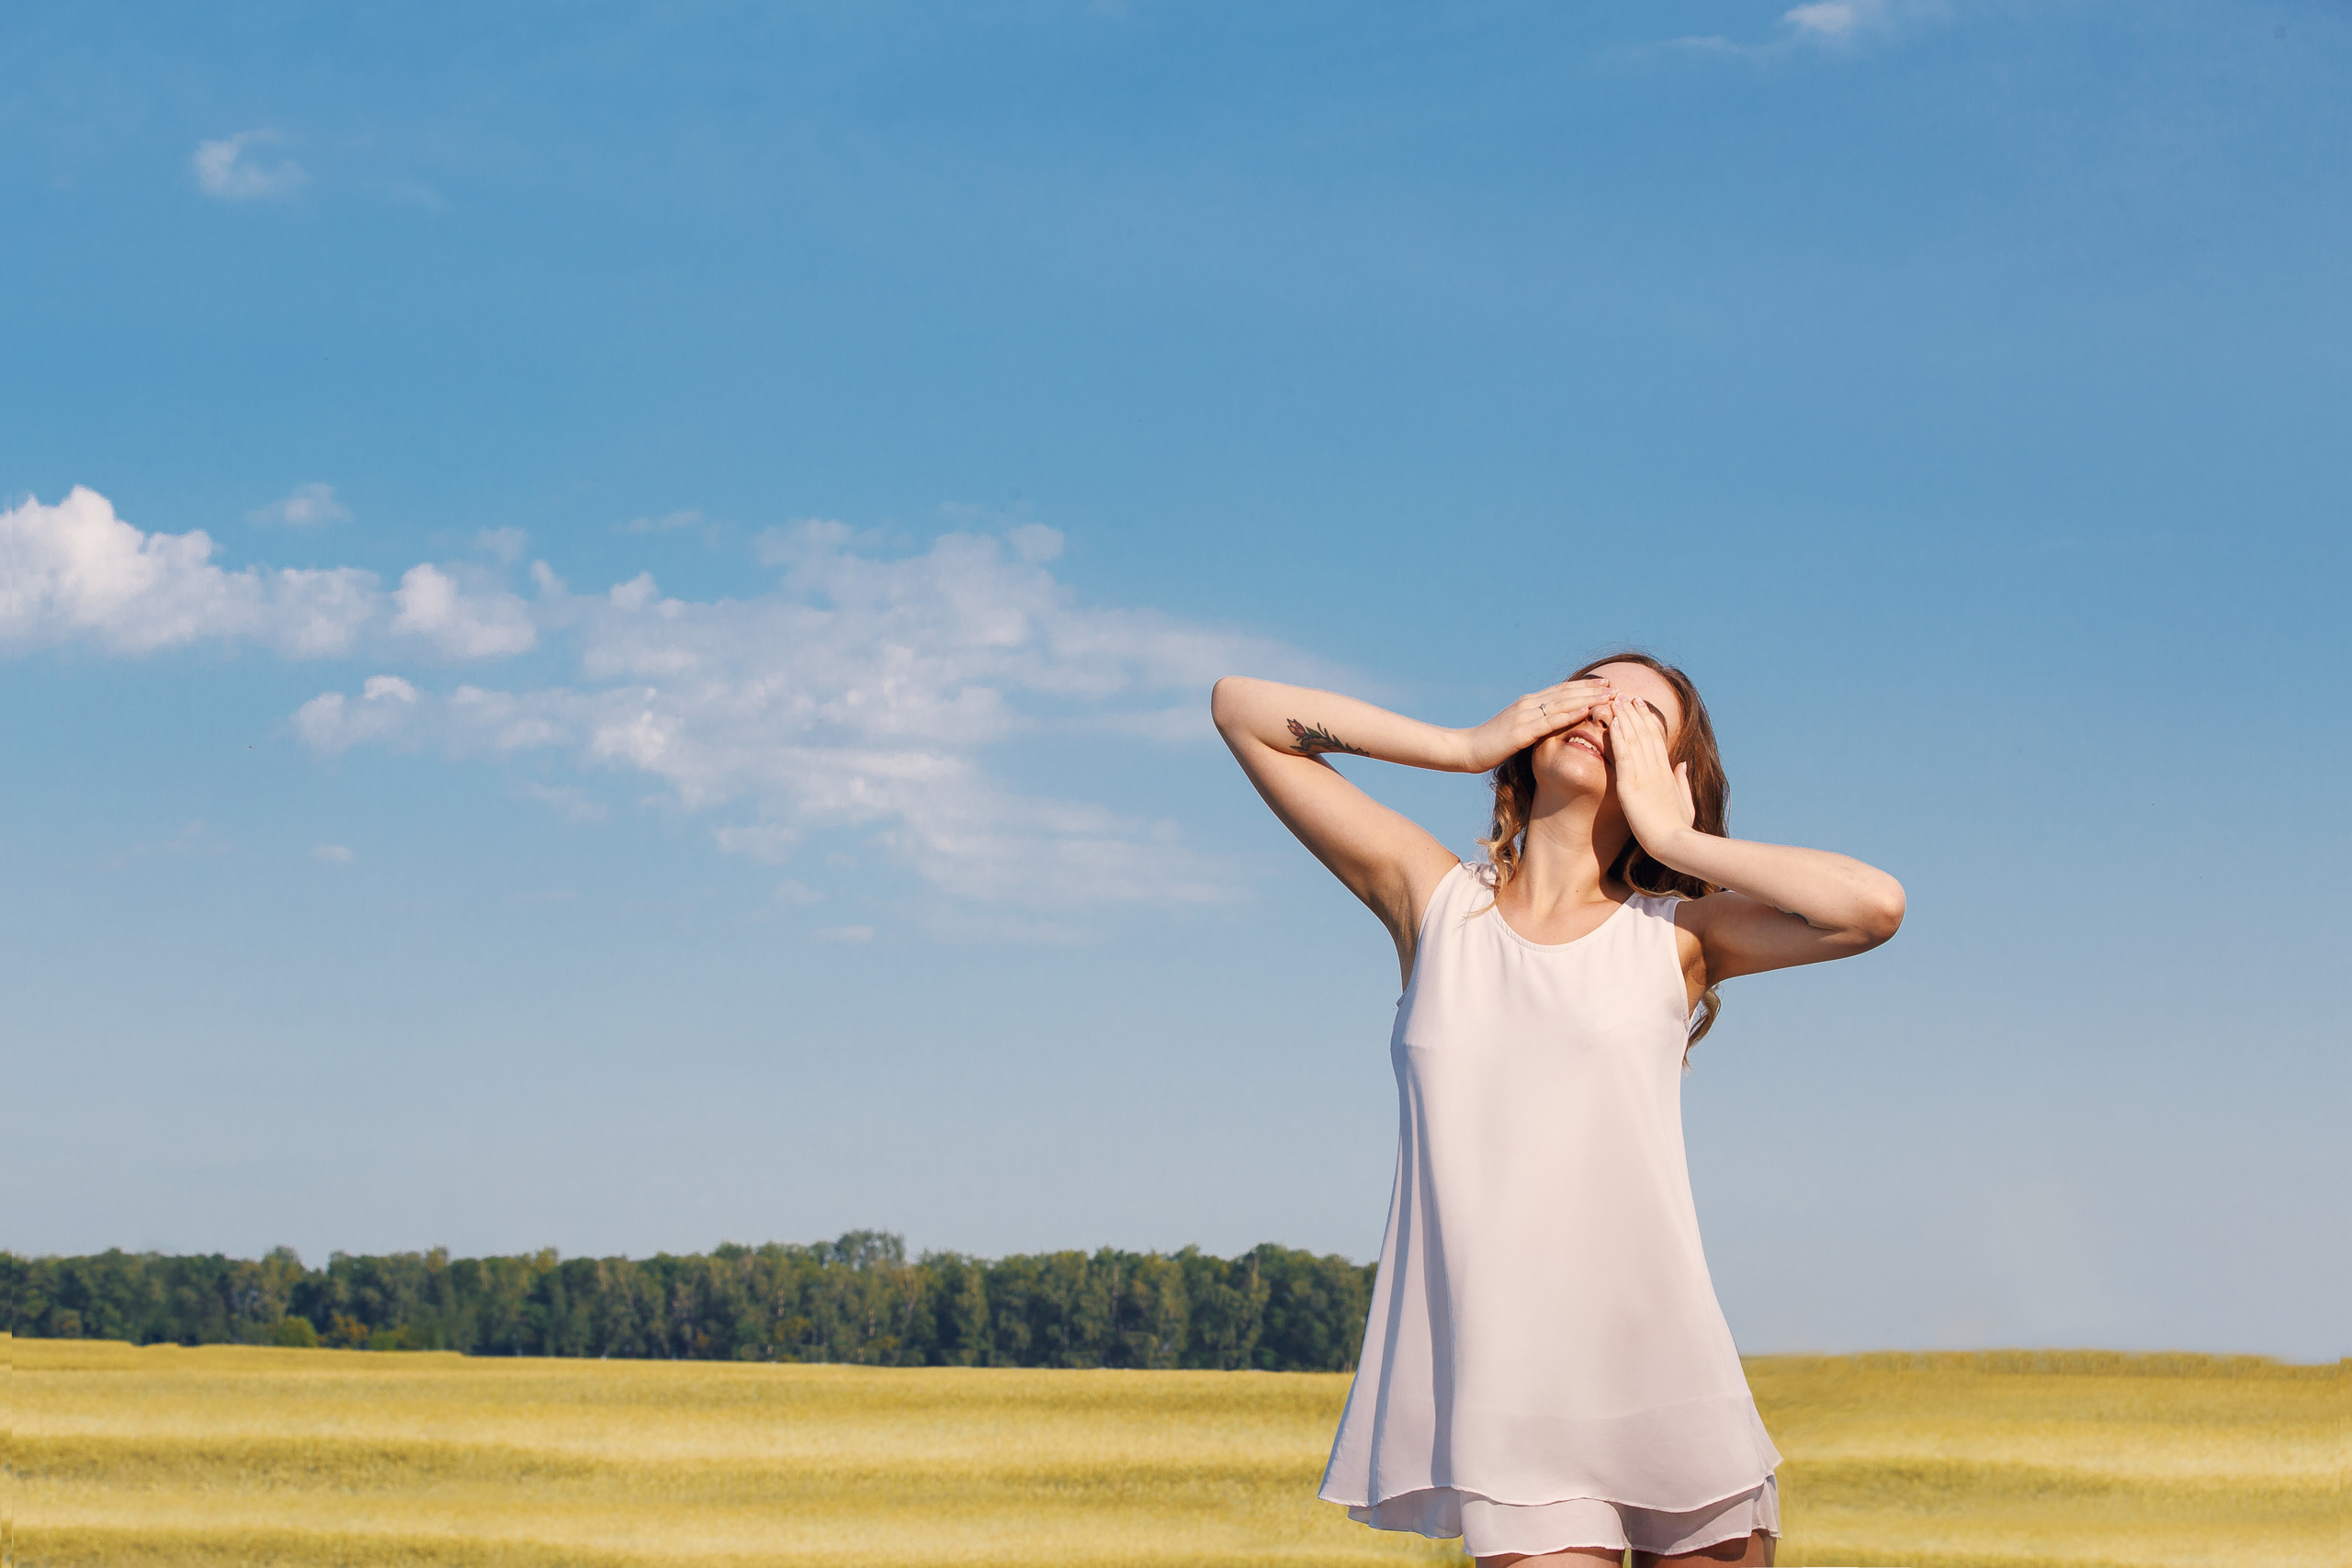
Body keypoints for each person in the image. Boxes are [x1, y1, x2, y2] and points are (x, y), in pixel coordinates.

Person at [1210, 653, 1905, 1568]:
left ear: (1676, 776)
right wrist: (1462, 746)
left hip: (1669, 1376)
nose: (1603, 715)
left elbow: (1871, 908)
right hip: (1507, 1404)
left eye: (1641, 720)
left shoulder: (1678, 935)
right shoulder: (1435, 904)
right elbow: (1243, 708)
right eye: (1587, 695)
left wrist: (1675, 836)